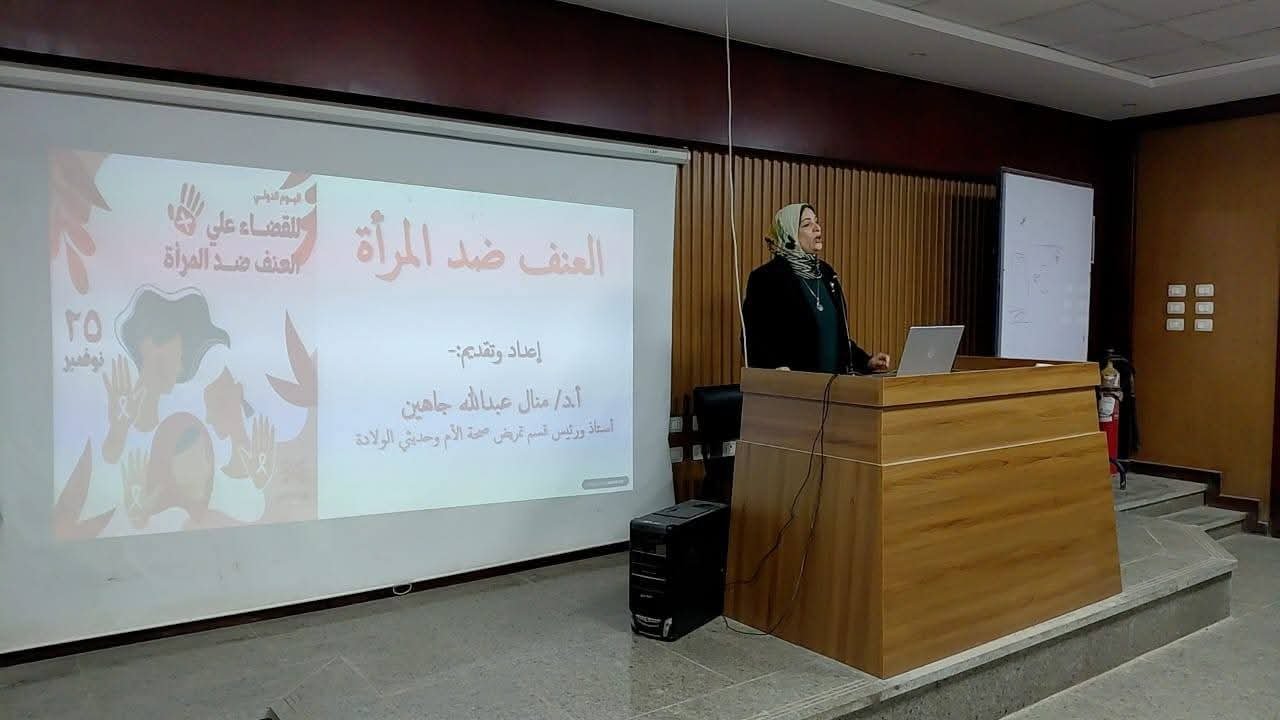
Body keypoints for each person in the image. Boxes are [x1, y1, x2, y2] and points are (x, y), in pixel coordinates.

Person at [742, 203, 891, 375]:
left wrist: (866, 361)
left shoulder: (826, 274)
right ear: (789, 234)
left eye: (816, 221)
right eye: (807, 224)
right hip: (793, 385)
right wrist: (774, 368)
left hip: (835, 385)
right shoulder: (766, 278)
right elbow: (752, 337)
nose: (817, 227)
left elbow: (835, 336)